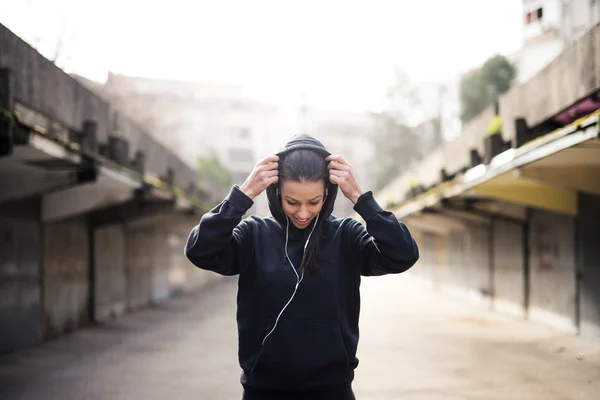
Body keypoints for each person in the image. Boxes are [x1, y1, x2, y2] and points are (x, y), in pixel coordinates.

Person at [185, 134, 419, 400]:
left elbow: (404, 254)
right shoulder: (253, 235)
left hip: (333, 390)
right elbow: (199, 250)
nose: (303, 213)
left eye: (314, 202)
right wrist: (243, 195)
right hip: (262, 390)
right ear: (276, 193)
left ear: (327, 195)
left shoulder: (347, 236)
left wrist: (359, 197)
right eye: (292, 202)